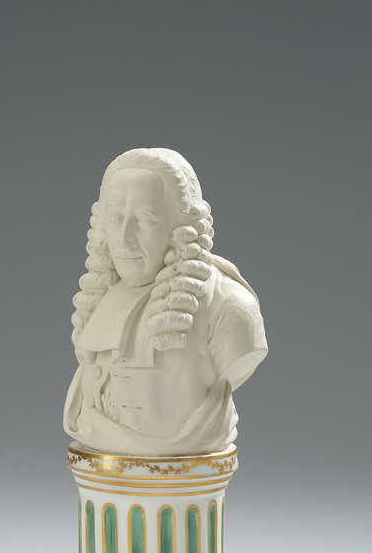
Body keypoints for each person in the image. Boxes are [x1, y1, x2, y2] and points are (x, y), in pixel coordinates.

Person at [64, 148, 267, 456]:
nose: (125, 238)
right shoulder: (104, 294)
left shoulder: (230, 307)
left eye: (145, 219)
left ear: (178, 229)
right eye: (116, 218)